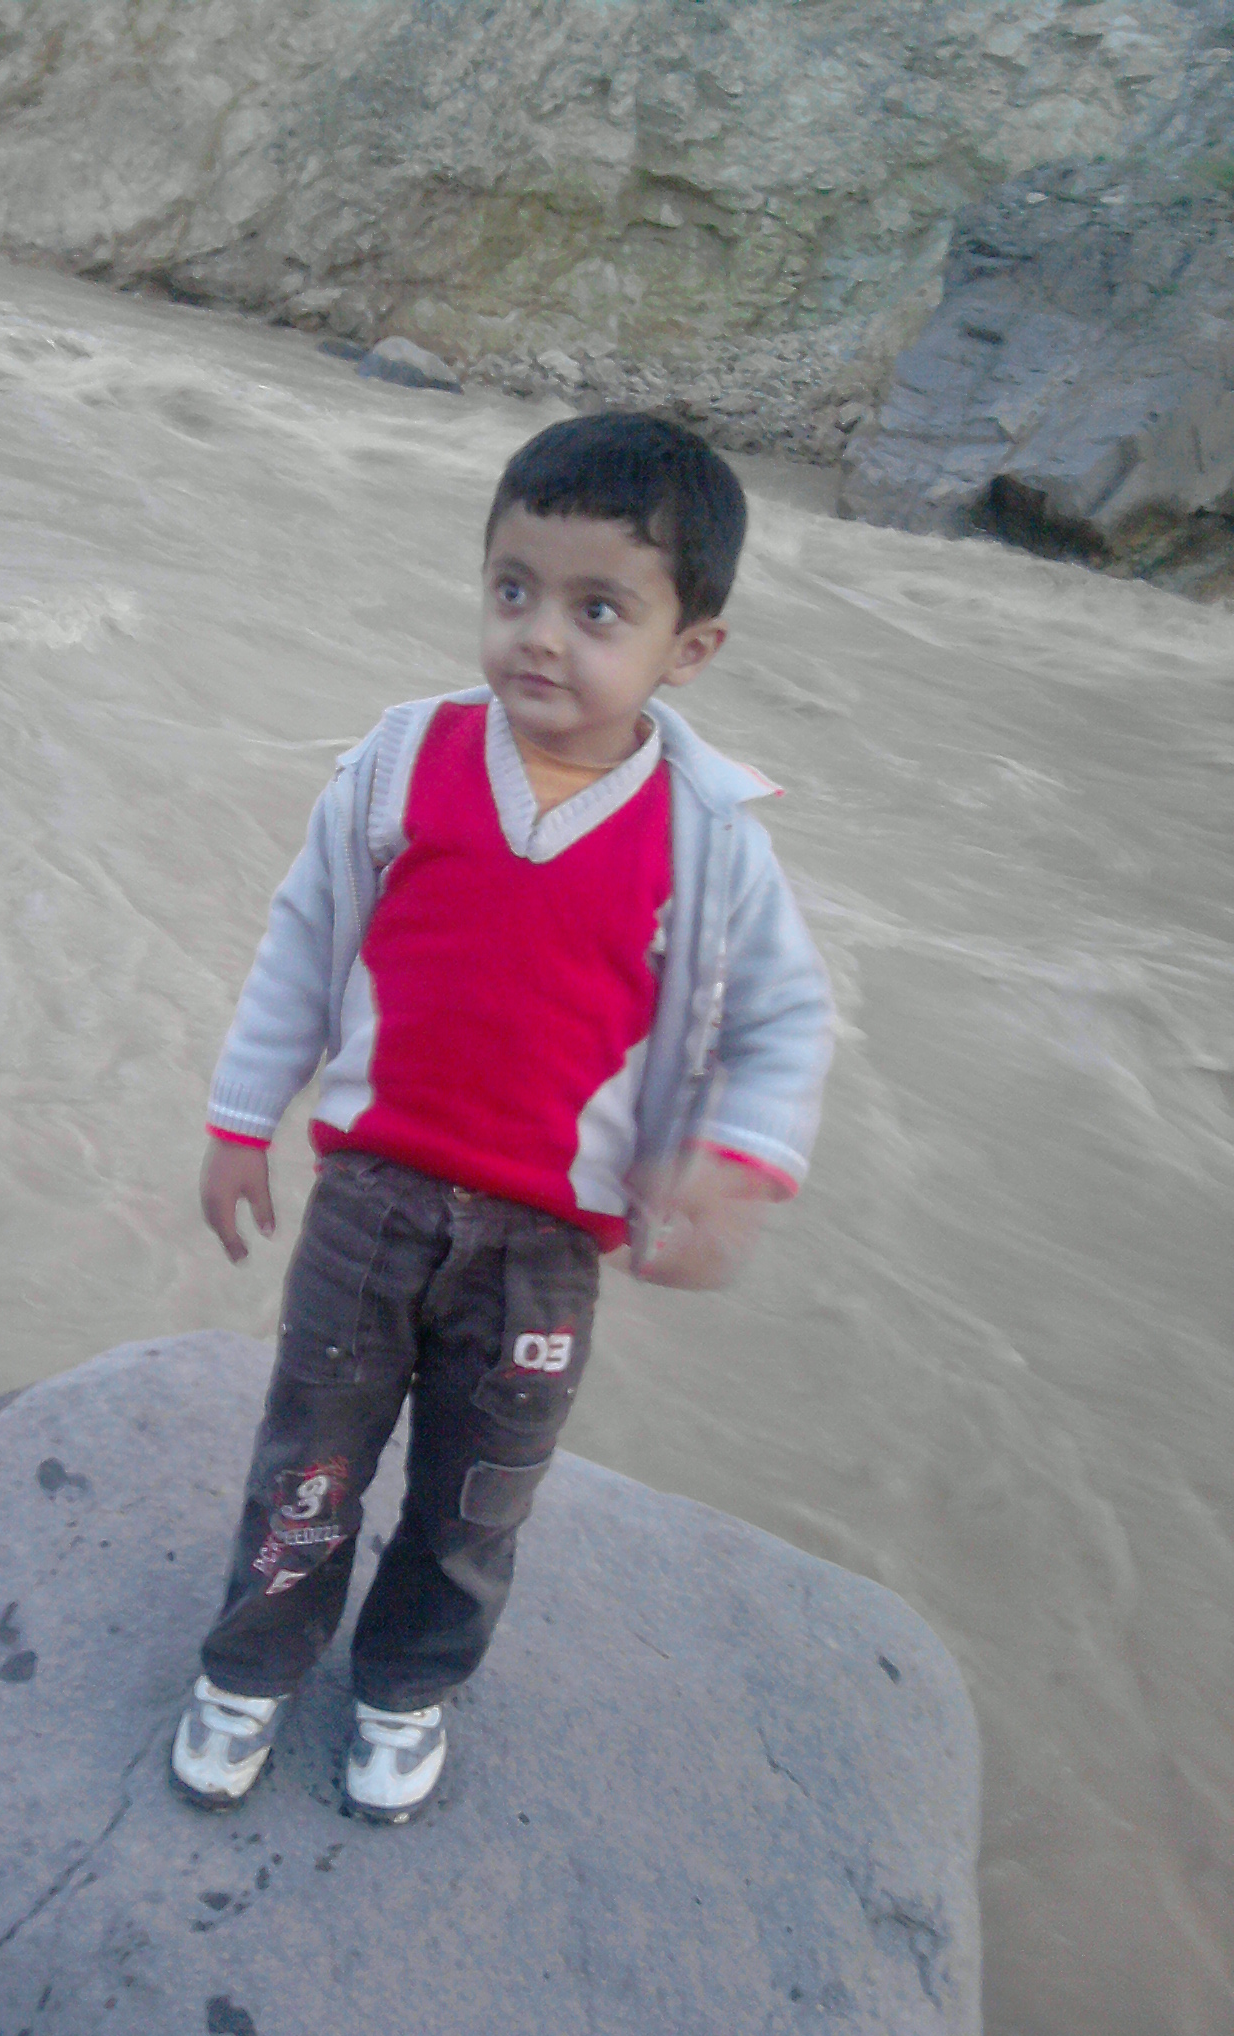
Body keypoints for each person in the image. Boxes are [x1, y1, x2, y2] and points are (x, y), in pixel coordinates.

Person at [170, 411, 834, 1823]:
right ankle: (252, 1665)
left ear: (689, 648)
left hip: (544, 1248)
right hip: (369, 1207)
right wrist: (240, 1120)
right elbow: (304, 942)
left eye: (598, 611)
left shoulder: (709, 837)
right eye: (514, 589)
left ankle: (408, 1686)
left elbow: (784, 1021)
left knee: (479, 1496)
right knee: (309, 1462)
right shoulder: (402, 761)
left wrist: (737, 1168)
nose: (539, 636)